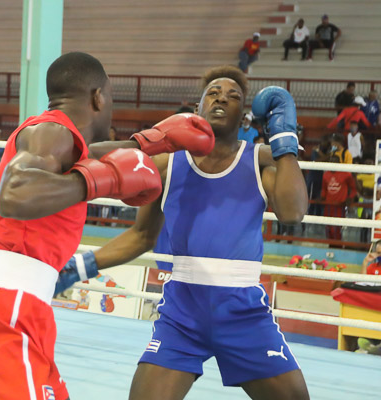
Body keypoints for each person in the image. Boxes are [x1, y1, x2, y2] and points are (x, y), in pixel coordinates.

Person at [0, 51, 215, 400]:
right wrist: (98, 182)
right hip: (3, 313)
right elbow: (15, 193)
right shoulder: (52, 131)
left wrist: (149, 142)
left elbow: (91, 155)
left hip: (24, 310)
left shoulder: (64, 139)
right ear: (98, 97)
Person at [56, 66, 309, 399]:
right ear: (196, 111)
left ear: (244, 116)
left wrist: (283, 139)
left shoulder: (260, 161)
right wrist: (148, 143)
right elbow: (139, 233)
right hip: (182, 312)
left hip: (243, 311)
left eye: (233, 96)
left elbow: (293, 213)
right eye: (214, 93)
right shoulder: (169, 163)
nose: (222, 97)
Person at [321, 155, 357, 241]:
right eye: (331, 161)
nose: (332, 163)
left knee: (336, 229)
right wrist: (322, 198)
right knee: (328, 228)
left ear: (339, 163)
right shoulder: (326, 175)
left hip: (340, 206)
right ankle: (331, 247)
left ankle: (338, 248)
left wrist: (350, 198)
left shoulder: (346, 174)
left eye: (334, 161)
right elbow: (324, 189)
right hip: (328, 206)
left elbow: (354, 189)